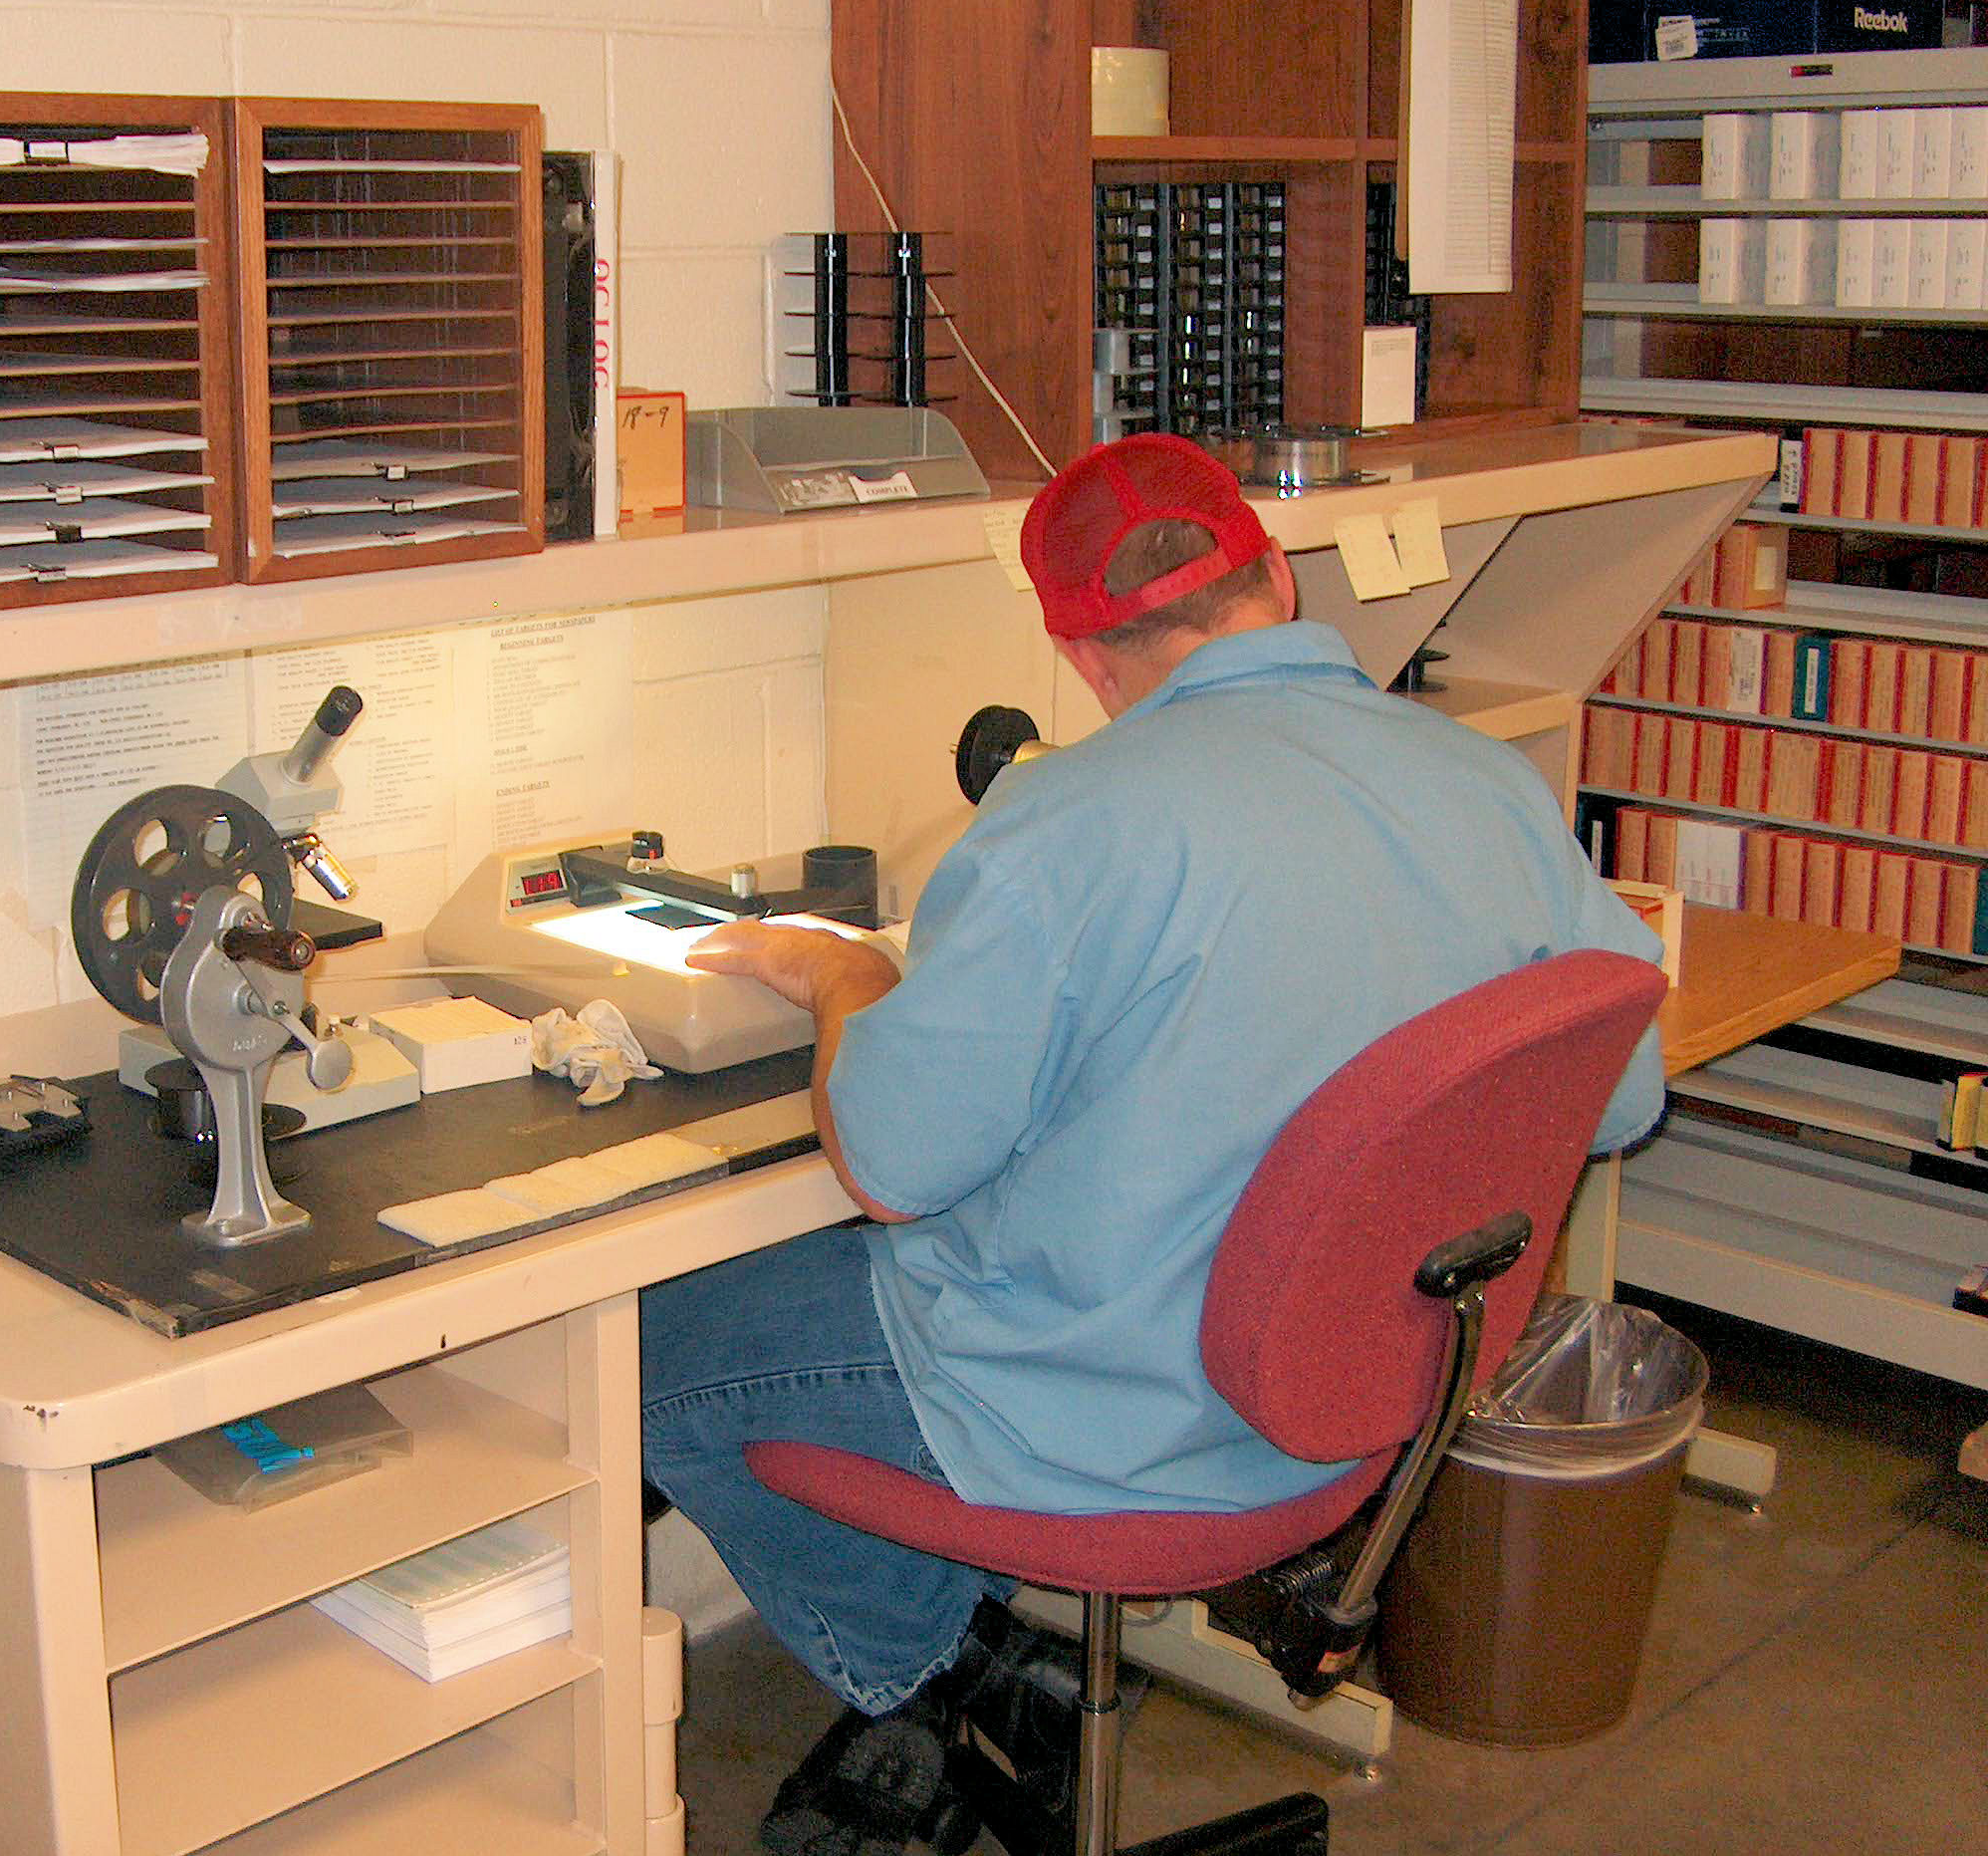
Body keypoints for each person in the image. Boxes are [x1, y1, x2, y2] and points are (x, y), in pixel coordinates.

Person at [638, 433, 1666, 1855]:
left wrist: (841, 976)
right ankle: (984, 1668)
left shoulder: (1063, 821)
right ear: (1278, 577)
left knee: (642, 1348)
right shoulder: (1488, 784)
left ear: (1078, 654)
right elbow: (1623, 1096)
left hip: (1109, 1421)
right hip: (1364, 1394)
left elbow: (889, 1170)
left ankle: (932, 1683)